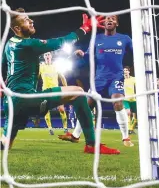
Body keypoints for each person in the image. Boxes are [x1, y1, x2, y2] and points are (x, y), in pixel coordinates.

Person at [1, 8, 120, 155]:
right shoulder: (27, 44)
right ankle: (91, 145)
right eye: (26, 20)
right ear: (17, 28)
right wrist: (85, 28)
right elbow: (61, 42)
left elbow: (3, 70)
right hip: (26, 99)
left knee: (5, 145)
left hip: (11, 103)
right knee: (78, 93)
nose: (31, 21)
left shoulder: (9, 45)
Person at [58, 15, 134, 147]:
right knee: (87, 106)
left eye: (113, 19)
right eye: (107, 19)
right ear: (103, 23)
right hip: (99, 78)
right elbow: (88, 57)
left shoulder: (125, 39)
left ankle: (125, 137)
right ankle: (75, 136)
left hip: (116, 77)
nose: (109, 20)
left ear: (117, 23)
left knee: (117, 101)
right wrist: (82, 54)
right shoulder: (96, 39)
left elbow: (136, 53)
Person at [39, 52, 68, 135]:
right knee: (46, 110)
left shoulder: (56, 66)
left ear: (51, 56)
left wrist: (66, 88)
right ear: (44, 57)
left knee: (61, 109)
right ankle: (50, 128)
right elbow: (35, 77)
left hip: (56, 90)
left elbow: (62, 77)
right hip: (46, 91)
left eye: (48, 54)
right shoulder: (41, 66)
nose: (47, 56)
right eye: (45, 55)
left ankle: (65, 128)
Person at [123, 66, 137, 135]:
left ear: (129, 71)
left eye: (126, 70)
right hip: (125, 99)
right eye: (124, 70)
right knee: (128, 113)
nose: (125, 71)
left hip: (133, 99)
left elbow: (138, 86)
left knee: (135, 117)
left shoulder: (133, 79)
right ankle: (128, 129)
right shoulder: (121, 80)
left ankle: (131, 129)